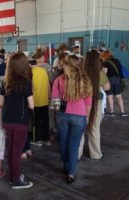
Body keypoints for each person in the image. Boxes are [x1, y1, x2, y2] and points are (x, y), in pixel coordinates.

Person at [52, 55, 92, 184]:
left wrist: (58, 112)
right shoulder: (85, 80)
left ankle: (66, 167)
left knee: (63, 142)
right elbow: (88, 102)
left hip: (63, 115)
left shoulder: (59, 79)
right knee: (74, 145)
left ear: (66, 65)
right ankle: (71, 172)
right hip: (80, 116)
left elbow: (54, 99)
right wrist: (87, 117)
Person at [0, 52, 34, 189]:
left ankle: (14, 176)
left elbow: (1, 103)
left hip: (7, 120)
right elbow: (31, 105)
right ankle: (16, 180)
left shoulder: (5, 82)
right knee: (17, 151)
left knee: (11, 149)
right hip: (20, 122)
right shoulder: (26, 83)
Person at [78, 50, 110, 160]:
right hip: (96, 103)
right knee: (94, 129)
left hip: (81, 104)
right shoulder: (100, 73)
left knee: (80, 129)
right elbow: (107, 87)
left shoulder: (81, 72)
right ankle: (95, 154)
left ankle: (77, 154)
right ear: (97, 61)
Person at [30, 49, 51, 146]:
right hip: (45, 100)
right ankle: (46, 139)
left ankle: (37, 140)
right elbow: (48, 86)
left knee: (36, 121)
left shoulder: (31, 72)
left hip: (35, 101)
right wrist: (49, 97)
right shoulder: (44, 71)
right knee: (45, 120)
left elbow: (31, 87)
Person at [100, 50, 127, 117]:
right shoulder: (117, 60)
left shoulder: (106, 62)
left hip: (110, 79)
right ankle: (123, 112)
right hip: (117, 79)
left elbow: (104, 73)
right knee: (118, 96)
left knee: (110, 96)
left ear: (105, 55)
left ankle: (112, 112)